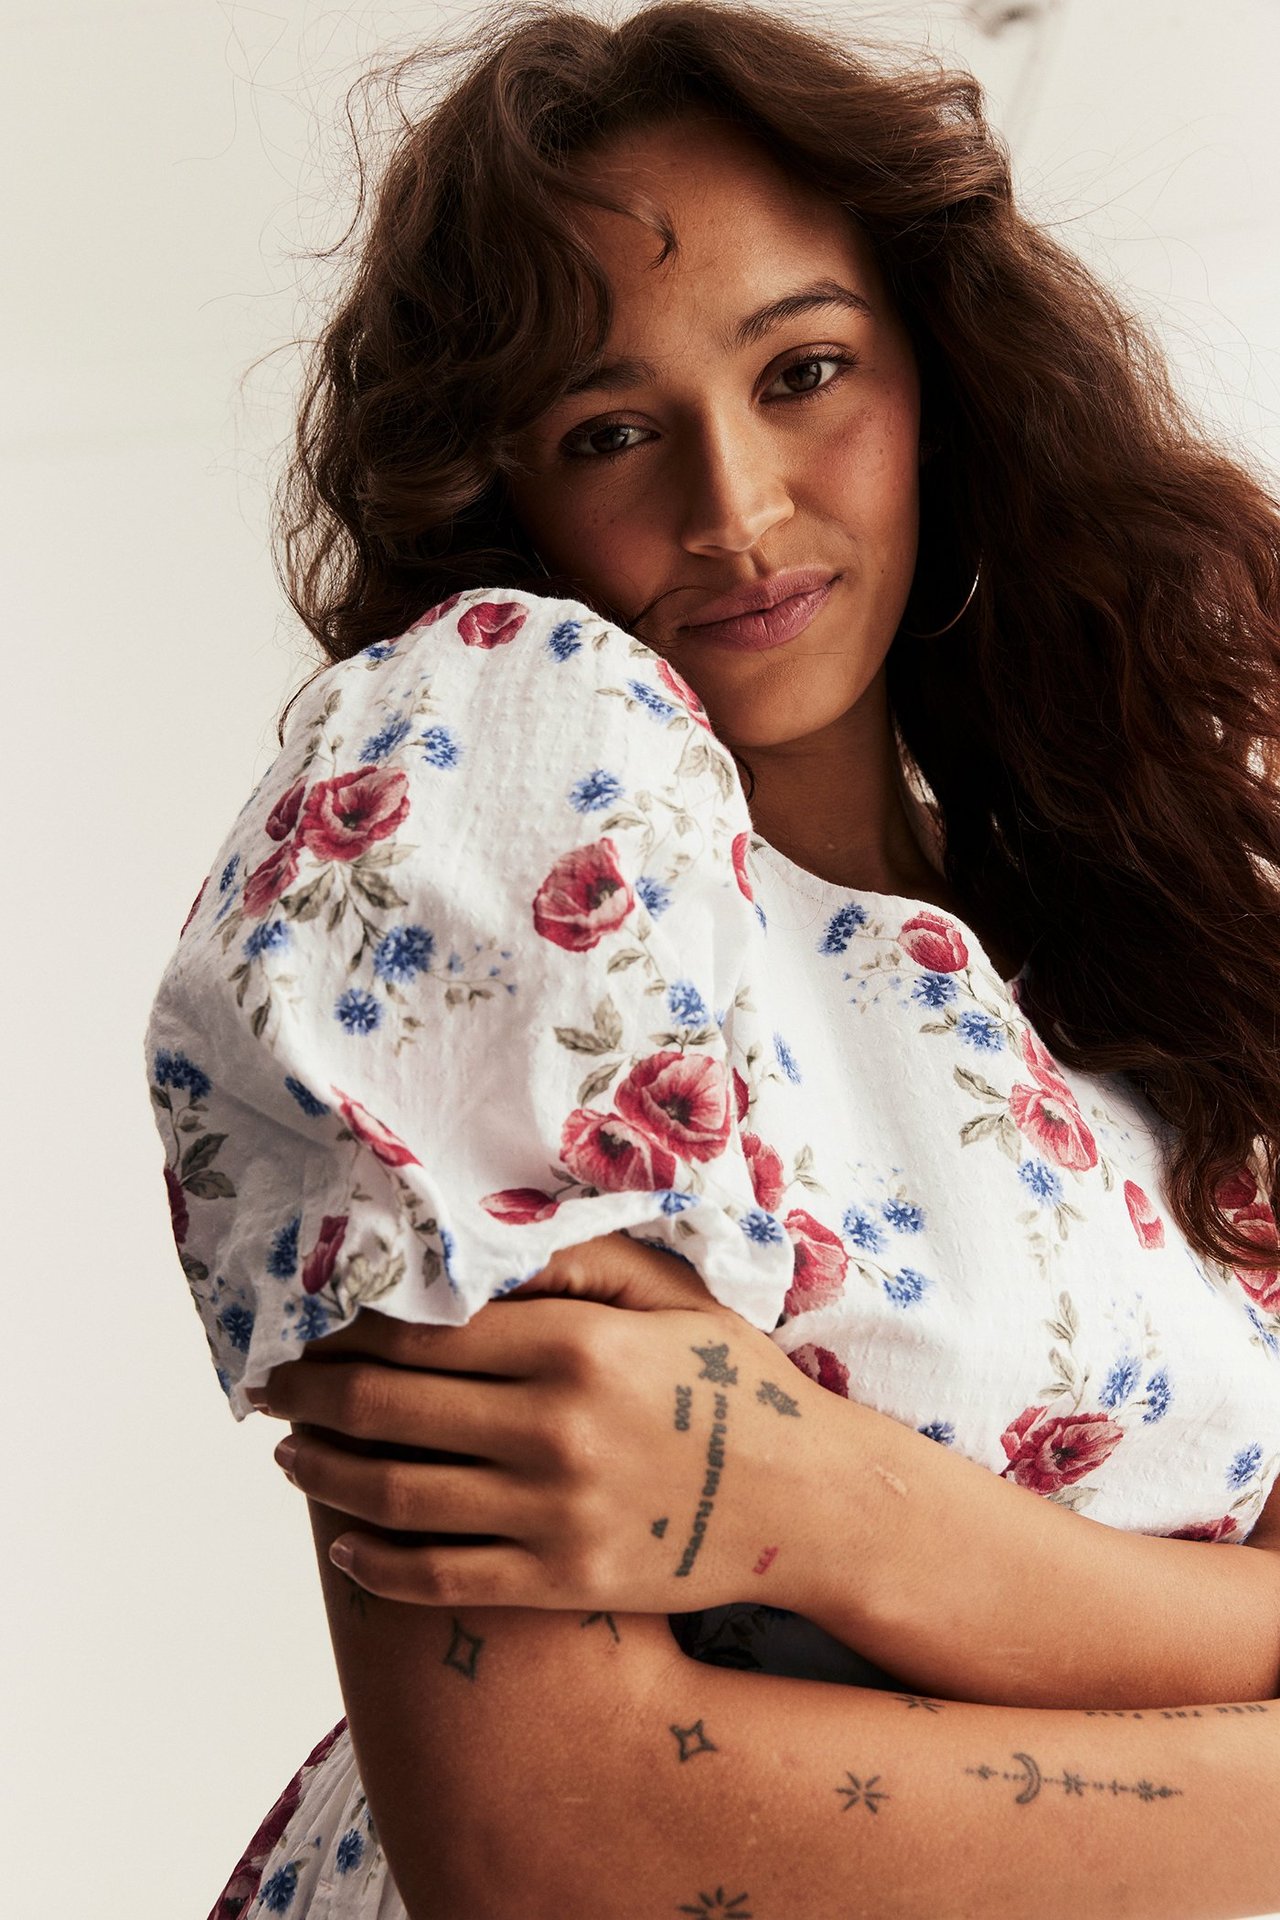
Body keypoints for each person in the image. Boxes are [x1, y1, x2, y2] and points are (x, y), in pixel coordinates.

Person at [143, 3, 1280, 1915]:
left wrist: (826, 1514)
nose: (735, 511)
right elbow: (555, 1837)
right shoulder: (513, 788)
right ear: (500, 490)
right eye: (609, 429)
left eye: (805, 370)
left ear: (943, 379)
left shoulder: (1168, 976)